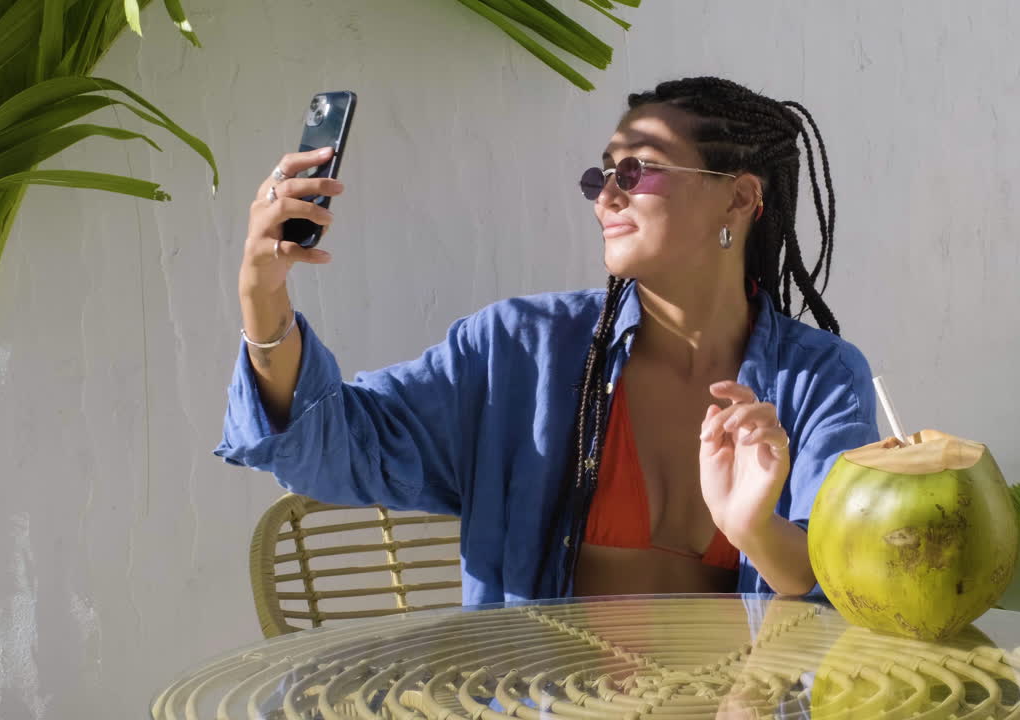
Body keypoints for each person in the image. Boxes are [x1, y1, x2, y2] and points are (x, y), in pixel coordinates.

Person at [216, 76, 879, 606]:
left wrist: (757, 531)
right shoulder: (516, 353)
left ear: (738, 200)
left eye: (635, 172)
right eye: (600, 177)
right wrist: (262, 297)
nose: (605, 199)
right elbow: (331, 448)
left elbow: (852, 575)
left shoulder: (820, 379)